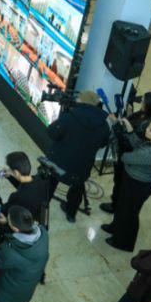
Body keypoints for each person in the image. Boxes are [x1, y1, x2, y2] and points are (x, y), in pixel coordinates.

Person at [104, 116, 151, 252]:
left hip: (137, 185)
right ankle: (115, 227)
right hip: (133, 179)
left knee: (129, 213)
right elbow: (136, 143)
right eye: (149, 127)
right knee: (122, 207)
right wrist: (130, 131)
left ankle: (123, 243)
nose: (146, 130)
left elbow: (126, 157)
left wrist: (122, 144)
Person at [45, 90, 110, 221]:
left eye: (79, 98)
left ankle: (42, 206)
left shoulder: (69, 116)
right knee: (77, 188)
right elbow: (103, 144)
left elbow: (51, 133)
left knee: (49, 184)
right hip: (81, 168)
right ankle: (71, 214)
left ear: (83, 101)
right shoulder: (104, 126)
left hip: (58, 162)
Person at [102, 92, 151, 216]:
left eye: (143, 102)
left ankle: (115, 205)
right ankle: (115, 203)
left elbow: (133, 143)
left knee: (121, 184)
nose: (140, 102)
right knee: (119, 182)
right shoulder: (145, 114)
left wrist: (117, 124)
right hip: (129, 155)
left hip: (131, 158)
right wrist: (129, 116)